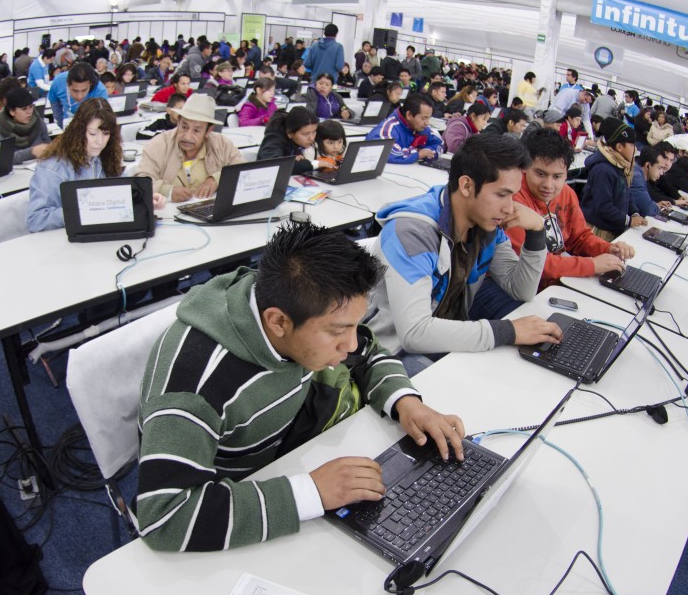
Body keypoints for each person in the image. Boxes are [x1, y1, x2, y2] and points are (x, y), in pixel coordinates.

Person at [136, 222, 465, 551]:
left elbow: (367, 351)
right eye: (337, 332)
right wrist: (310, 493)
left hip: (288, 451)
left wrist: (406, 401)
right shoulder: (194, 383)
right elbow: (165, 517)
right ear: (278, 322)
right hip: (238, 494)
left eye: (354, 326)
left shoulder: (303, 305)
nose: (351, 344)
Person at [364, 133, 558, 364]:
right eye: (501, 195)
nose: (509, 208)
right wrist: (508, 331)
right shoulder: (412, 233)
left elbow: (521, 290)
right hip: (388, 351)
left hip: (445, 337)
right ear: (466, 185)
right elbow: (414, 333)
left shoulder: (486, 225)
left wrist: (537, 231)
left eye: (513, 196)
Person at [502, 127, 633, 290]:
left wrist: (607, 249)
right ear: (524, 168)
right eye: (540, 174)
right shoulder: (512, 200)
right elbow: (534, 264)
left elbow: (579, 237)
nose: (548, 185)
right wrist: (592, 265)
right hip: (522, 288)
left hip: (558, 282)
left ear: (566, 174)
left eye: (557, 176)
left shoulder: (567, 193)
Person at [27, 99, 140, 231]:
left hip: (97, 232)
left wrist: (140, 197)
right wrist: (83, 211)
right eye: (92, 134)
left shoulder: (105, 156)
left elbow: (122, 188)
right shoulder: (53, 167)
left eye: (106, 134)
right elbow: (36, 220)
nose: (100, 141)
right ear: (78, 131)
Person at [136, 94, 243, 203]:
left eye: (196, 130)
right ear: (178, 122)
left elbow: (243, 171)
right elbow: (141, 182)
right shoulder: (157, 145)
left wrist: (216, 179)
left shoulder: (222, 144)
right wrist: (167, 191)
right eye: (184, 127)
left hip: (211, 213)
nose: (187, 136)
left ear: (208, 131)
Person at [580, 117, 646, 241]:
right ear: (619, 147)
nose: (635, 149)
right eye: (632, 145)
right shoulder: (603, 170)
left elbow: (626, 194)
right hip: (598, 232)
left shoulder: (620, 166)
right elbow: (604, 206)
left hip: (613, 228)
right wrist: (629, 220)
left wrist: (635, 213)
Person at [367, 94, 444, 165]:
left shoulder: (421, 127)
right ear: (409, 115)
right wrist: (418, 154)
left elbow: (440, 144)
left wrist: (428, 151)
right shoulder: (388, 129)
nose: (427, 123)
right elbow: (387, 152)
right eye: (424, 118)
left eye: (429, 118)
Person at [257, 107, 326, 175]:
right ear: (289, 133)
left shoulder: (308, 130)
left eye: (314, 132)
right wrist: (313, 164)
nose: (311, 138)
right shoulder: (274, 139)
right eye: (305, 134)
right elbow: (274, 165)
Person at [0, 88, 50, 164]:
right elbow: (4, 158)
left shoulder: (39, 123)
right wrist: (32, 152)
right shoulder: (0, 131)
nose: (29, 112)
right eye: (24, 109)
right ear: (12, 112)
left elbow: (49, 148)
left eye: (31, 107)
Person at [47, 62, 108, 128]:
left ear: (90, 84)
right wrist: (60, 124)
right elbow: (54, 103)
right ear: (68, 84)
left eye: (84, 90)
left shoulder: (100, 91)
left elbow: (101, 120)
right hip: (67, 122)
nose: (79, 96)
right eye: (75, 90)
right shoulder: (58, 81)